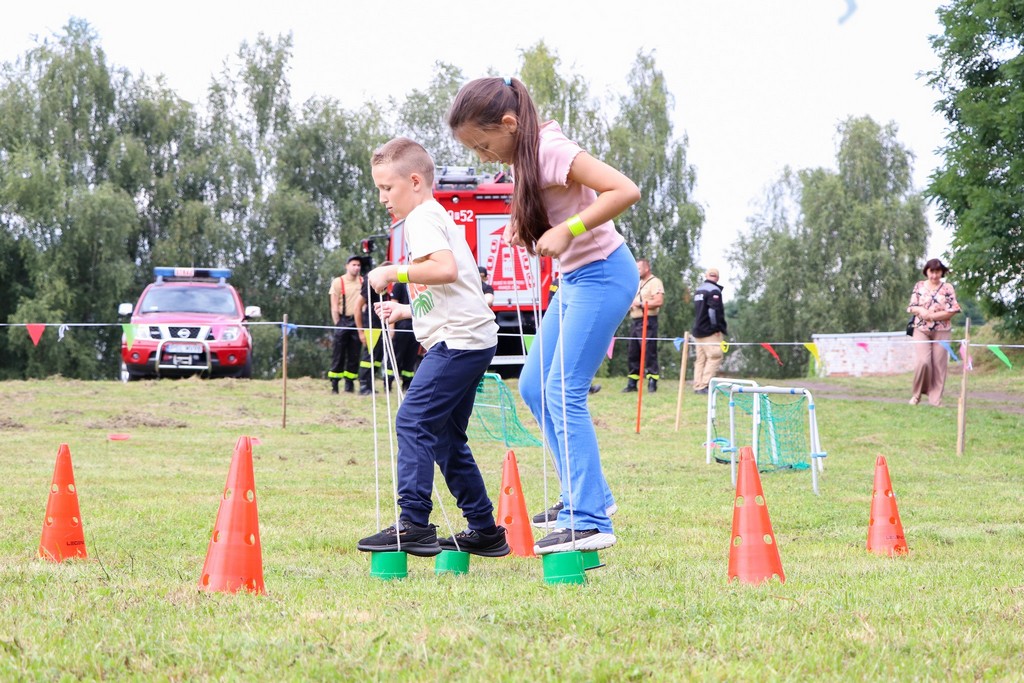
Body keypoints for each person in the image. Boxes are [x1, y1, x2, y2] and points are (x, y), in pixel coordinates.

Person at [449, 76, 640, 555]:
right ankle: (587, 494)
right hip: (575, 280)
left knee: (563, 390)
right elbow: (551, 204)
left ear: (509, 123)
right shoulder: (523, 158)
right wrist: (525, 226)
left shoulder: (551, 149)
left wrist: (569, 229)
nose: (483, 156)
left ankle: (589, 520)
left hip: (603, 273)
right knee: (535, 386)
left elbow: (624, 189)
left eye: (483, 144)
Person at [356, 137, 509, 559]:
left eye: (387, 188)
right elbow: (449, 287)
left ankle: (414, 524)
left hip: (457, 343)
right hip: (471, 339)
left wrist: (392, 271)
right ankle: (485, 530)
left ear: (415, 181)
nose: (383, 198)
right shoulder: (432, 217)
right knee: (445, 438)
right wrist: (407, 311)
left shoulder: (421, 218)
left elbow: (445, 269)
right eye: (379, 189)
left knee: (413, 422)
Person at [907, 258, 961, 407]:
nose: (934, 275)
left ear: (942, 272)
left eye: (937, 272)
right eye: (932, 271)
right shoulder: (919, 286)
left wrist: (933, 316)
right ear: (927, 271)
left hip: (942, 330)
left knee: (938, 364)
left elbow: (953, 310)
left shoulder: (948, 288)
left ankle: (935, 400)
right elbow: (912, 307)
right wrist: (922, 311)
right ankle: (916, 395)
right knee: (923, 362)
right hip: (921, 329)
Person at [623, 258, 665, 393]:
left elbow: (658, 301)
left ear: (647, 268)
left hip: (648, 321)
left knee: (648, 352)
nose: (636, 271)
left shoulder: (655, 282)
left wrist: (640, 304)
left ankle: (652, 382)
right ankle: (632, 383)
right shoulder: (638, 283)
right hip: (635, 321)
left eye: (639, 269)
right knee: (633, 352)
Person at [356, 263, 394, 396]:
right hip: (372, 325)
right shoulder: (371, 282)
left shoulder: (386, 286)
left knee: (377, 357)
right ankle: (363, 385)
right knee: (369, 356)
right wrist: (360, 331)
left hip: (382, 324)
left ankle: (370, 385)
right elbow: (357, 307)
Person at [327, 255, 363, 393]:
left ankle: (349, 384)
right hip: (343, 320)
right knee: (338, 354)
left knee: (354, 354)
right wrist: (338, 323)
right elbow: (334, 306)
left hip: (358, 321)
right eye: (354, 265)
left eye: (358, 265)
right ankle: (335, 384)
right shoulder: (338, 282)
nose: (356, 268)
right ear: (347, 266)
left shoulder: (362, 281)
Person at [691, 268, 727, 394]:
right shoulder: (714, 291)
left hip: (698, 330)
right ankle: (705, 385)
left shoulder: (698, 290)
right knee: (715, 357)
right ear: (717, 278)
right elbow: (713, 311)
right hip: (710, 331)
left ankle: (697, 385)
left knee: (700, 359)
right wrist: (716, 327)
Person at [388, 278, 421, 391]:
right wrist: (391, 328)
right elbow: (393, 304)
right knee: (396, 356)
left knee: (411, 357)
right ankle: (388, 382)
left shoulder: (419, 283)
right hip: (401, 325)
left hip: (416, 325)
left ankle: (407, 384)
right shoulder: (399, 284)